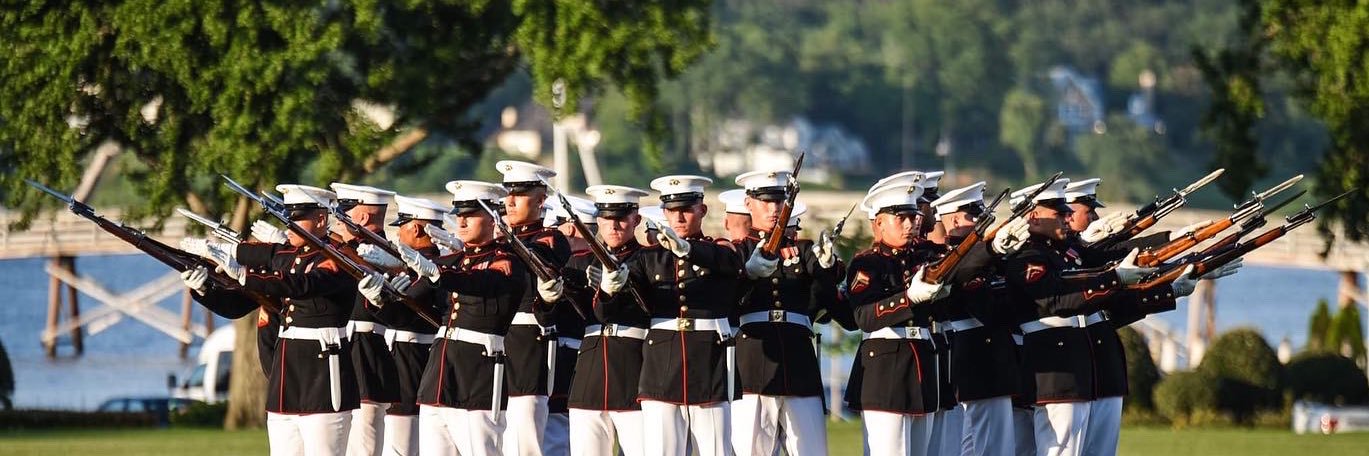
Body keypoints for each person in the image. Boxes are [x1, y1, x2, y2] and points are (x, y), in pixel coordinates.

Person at [205, 184, 361, 455]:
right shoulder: (290, 259)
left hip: (322, 373)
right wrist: (203, 286)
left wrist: (244, 273)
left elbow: (302, 285)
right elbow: (243, 300)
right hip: (286, 377)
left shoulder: (339, 259)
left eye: (297, 216)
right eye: (287, 216)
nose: (289, 224)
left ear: (321, 219)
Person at [611, 175, 744, 456]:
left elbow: (731, 264)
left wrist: (688, 250)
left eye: (686, 209)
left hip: (708, 363)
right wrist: (608, 289)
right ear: (664, 213)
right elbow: (614, 311)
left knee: (716, 450)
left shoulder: (718, 248)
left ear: (702, 211)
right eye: (672, 210)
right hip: (662, 366)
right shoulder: (648, 257)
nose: (679, 216)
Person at [395, 180, 529, 456]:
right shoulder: (453, 261)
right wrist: (375, 294)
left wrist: (438, 274)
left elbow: (480, 282)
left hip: (478, 372)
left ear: (493, 217)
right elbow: (405, 306)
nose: (462, 220)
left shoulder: (507, 261)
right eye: (459, 213)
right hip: (439, 375)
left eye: (470, 214)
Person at [729, 169, 843, 456]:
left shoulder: (802, 251)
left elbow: (830, 302)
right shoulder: (736, 252)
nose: (773, 208)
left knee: (810, 449)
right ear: (748, 204)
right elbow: (727, 305)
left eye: (779, 201)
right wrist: (748, 275)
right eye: (765, 201)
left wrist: (828, 268)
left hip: (799, 364)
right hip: (754, 364)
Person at [843, 178, 951, 455]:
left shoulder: (924, 257)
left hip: (922, 363)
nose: (910, 224)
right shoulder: (867, 263)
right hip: (885, 367)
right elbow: (864, 317)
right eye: (900, 218)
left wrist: (992, 249)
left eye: (913, 216)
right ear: (879, 223)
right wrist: (908, 298)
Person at [927, 182, 1031, 456]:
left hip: (989, 358)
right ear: (955, 220)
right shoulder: (950, 259)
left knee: (977, 446)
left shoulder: (985, 258)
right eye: (974, 215)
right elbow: (988, 308)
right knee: (993, 447)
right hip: (979, 359)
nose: (981, 221)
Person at [560, 184, 654, 456]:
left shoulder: (650, 260)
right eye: (606, 217)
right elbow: (553, 314)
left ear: (636, 219)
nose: (614, 225)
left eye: (622, 217)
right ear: (597, 219)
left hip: (634, 372)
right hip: (589, 376)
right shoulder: (579, 263)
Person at [356, 195, 449, 456]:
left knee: (403, 445)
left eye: (402, 226)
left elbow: (405, 313)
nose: (398, 233)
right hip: (403, 353)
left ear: (417, 229)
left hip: (413, 356)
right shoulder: (412, 266)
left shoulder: (431, 268)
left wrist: (382, 300)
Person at [495, 160, 574, 456]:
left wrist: (500, 241)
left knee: (525, 438)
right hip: (493, 345)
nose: (510, 201)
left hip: (528, 344)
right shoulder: (498, 239)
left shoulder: (550, 239)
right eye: (508, 194)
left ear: (541, 200)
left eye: (521, 194)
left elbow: (539, 257)